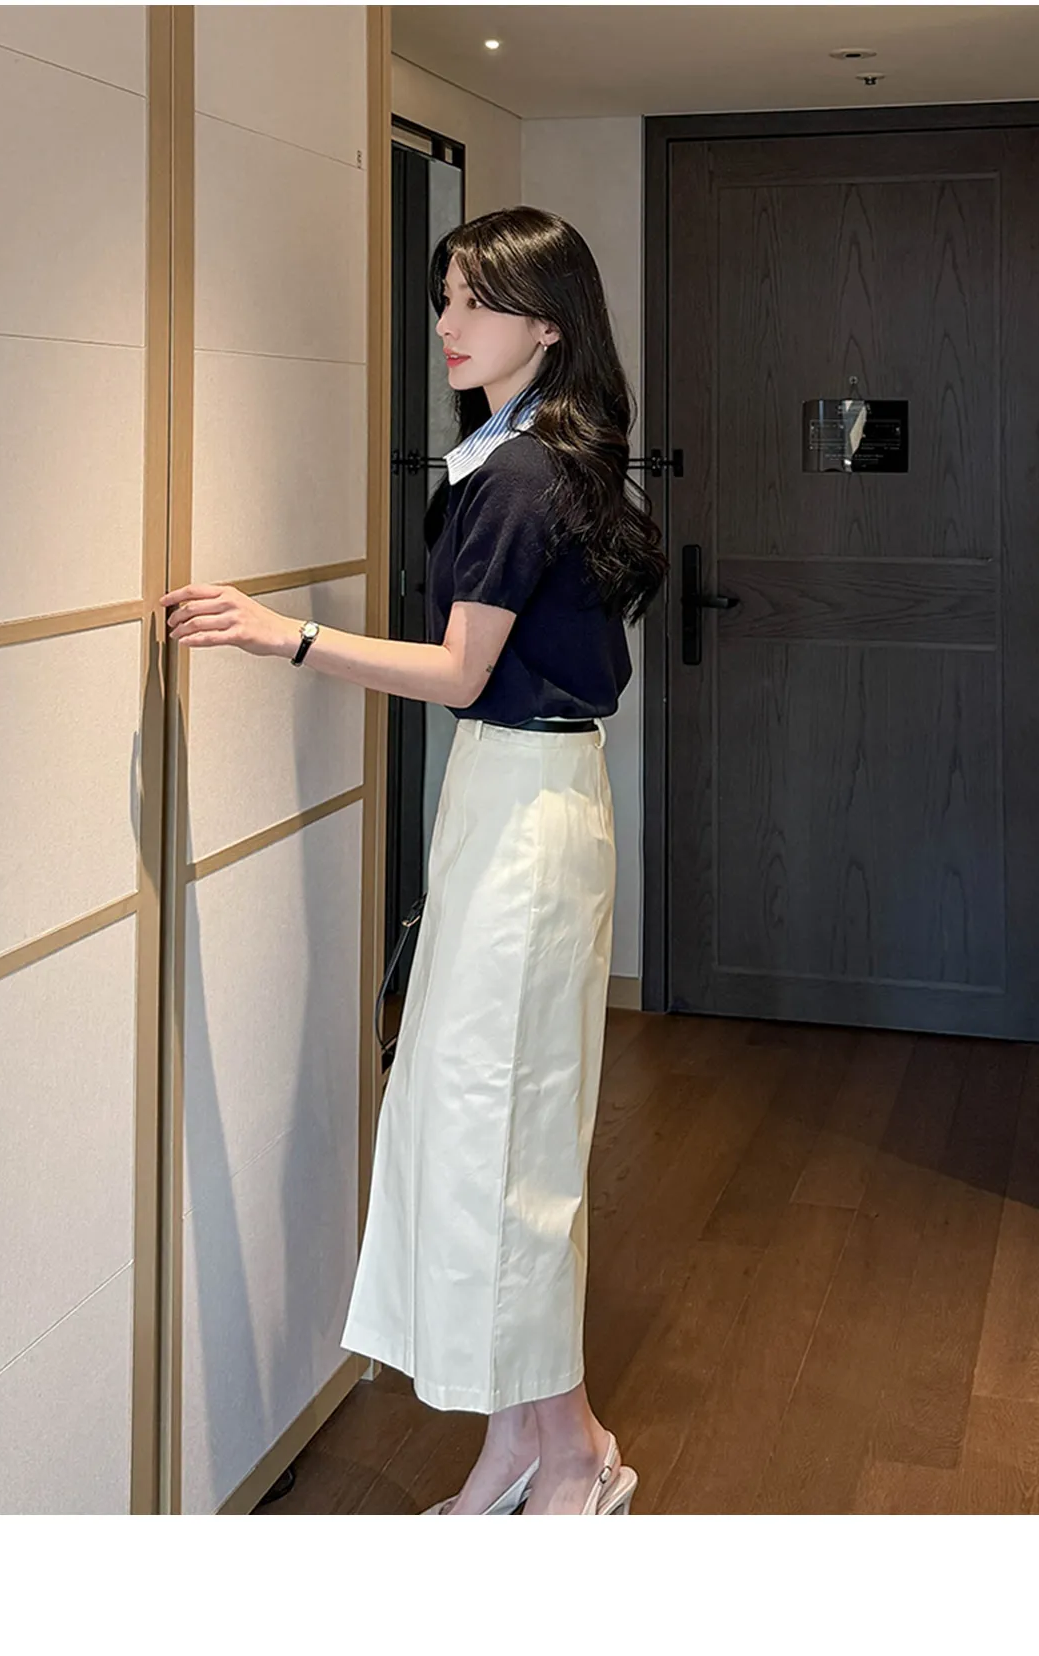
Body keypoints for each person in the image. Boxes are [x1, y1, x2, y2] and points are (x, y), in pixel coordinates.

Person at [161, 205, 669, 1515]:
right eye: (444, 297)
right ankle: (530, 1443)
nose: (447, 322)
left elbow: (458, 670)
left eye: (476, 301)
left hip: (525, 805)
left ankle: (572, 1457)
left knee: (501, 1135)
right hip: (514, 794)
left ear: (546, 324)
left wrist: (282, 637)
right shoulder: (518, 456)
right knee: (480, 1126)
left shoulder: (520, 474)